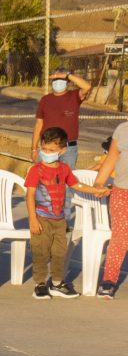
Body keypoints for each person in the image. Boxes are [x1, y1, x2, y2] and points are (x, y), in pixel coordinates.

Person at [26, 127, 109, 300]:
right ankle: (40, 284)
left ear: (62, 150)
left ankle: (57, 283)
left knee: (59, 252)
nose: (46, 153)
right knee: (41, 250)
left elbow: (76, 185)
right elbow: (30, 195)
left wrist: (95, 191)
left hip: (59, 219)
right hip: (41, 217)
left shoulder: (64, 169)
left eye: (51, 150)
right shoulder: (36, 170)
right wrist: (33, 219)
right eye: (44, 148)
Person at [32, 68, 91, 170]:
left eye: (61, 79)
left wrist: (67, 75)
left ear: (67, 82)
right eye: (55, 79)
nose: (58, 81)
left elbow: (87, 86)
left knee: (67, 181)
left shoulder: (74, 96)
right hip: (47, 148)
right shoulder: (45, 100)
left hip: (68, 149)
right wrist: (34, 148)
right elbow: (39, 124)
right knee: (44, 180)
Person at [94, 120, 128, 299]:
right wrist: (100, 182)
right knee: (120, 238)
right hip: (122, 192)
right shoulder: (123, 129)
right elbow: (112, 158)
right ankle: (108, 280)